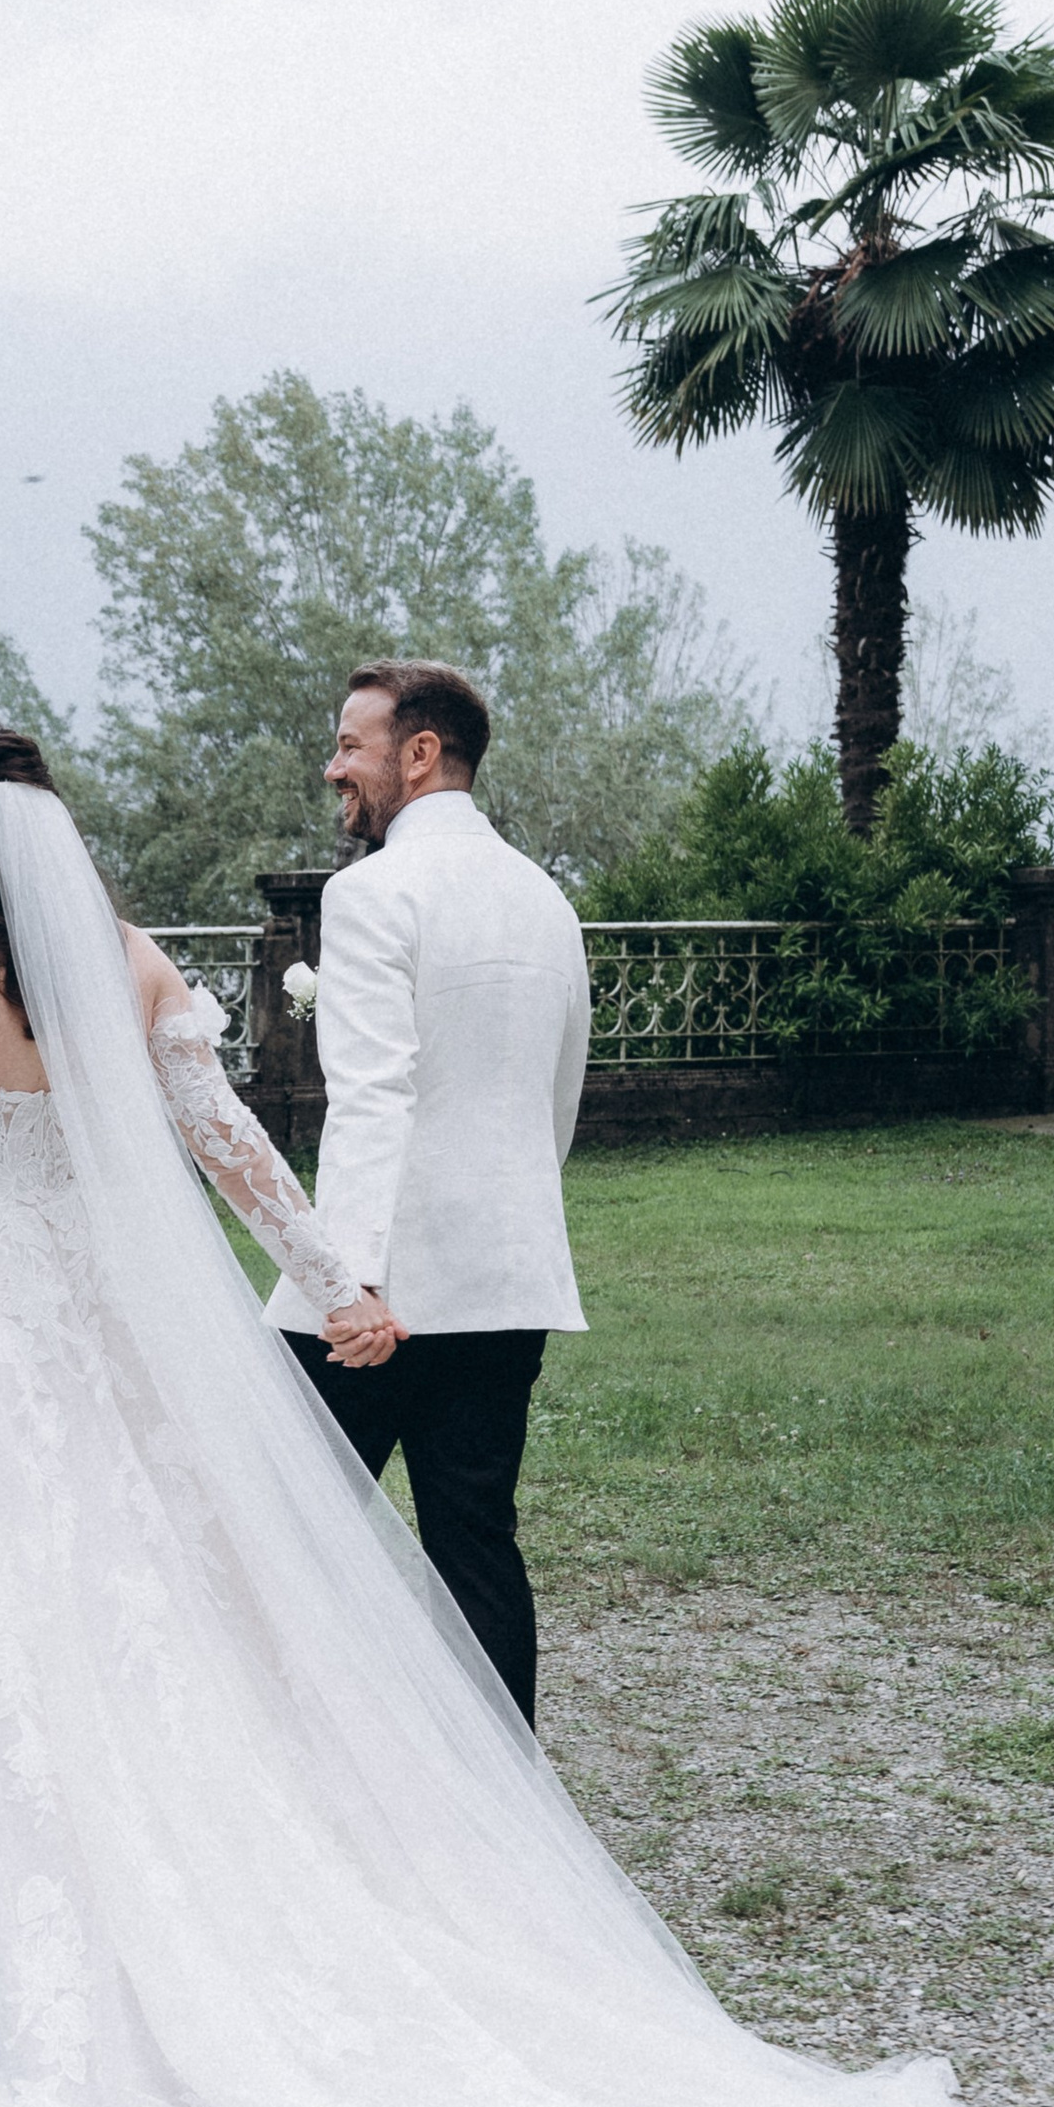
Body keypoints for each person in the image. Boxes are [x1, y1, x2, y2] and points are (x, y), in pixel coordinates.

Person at [0, 719, 1052, 2107]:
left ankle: (3, 1910)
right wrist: (333, 1278)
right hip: (96, 1309)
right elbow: (232, 1148)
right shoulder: (131, 965)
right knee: (127, 1594)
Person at [270, 661, 588, 1728]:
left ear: (419, 753)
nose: (332, 768)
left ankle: (295, 1769)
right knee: (474, 1540)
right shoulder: (546, 898)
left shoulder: (368, 894)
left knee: (284, 1527)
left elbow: (370, 1095)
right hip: (509, 1277)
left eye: (350, 746)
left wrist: (343, 1281)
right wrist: (514, 1228)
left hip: (383, 1295)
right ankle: (509, 1807)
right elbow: (558, 1099)